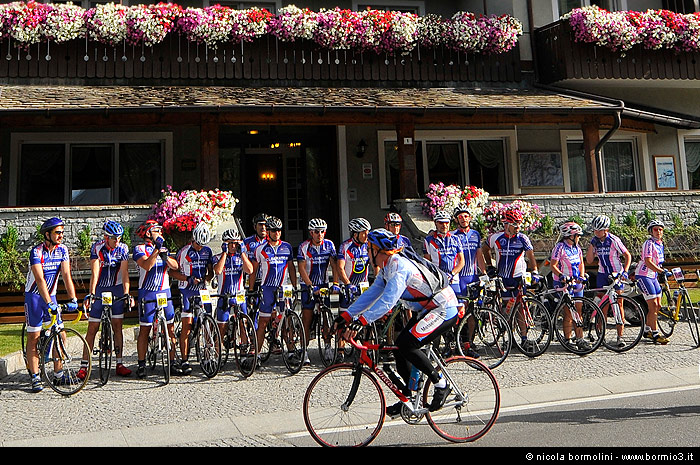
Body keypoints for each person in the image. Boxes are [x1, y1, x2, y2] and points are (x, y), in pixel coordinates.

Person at [334, 229, 460, 417]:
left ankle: (441, 384)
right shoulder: (387, 267)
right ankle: (408, 398)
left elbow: (387, 301)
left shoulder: (399, 267)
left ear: (376, 249)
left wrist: (361, 321)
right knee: (400, 346)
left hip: (443, 308)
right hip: (427, 308)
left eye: (369, 249)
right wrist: (347, 315)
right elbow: (372, 293)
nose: (368, 253)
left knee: (408, 345)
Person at [24, 217, 79, 392]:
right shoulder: (36, 252)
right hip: (34, 298)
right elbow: (40, 280)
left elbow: (66, 275)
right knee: (34, 337)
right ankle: (34, 376)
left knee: (60, 335)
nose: (61, 235)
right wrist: (49, 303)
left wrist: (73, 299)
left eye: (62, 232)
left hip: (51, 296)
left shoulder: (62, 250)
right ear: (47, 234)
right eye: (58, 232)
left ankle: (58, 375)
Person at [79, 221, 133, 380]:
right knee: (93, 327)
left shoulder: (122, 248)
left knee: (117, 326)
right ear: (106, 237)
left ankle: (119, 363)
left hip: (115, 288)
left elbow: (124, 274)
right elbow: (95, 273)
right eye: (114, 238)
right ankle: (84, 365)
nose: (117, 241)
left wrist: (126, 293)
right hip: (100, 289)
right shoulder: (97, 248)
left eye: (119, 238)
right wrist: (92, 294)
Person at [481, 209, 540, 347]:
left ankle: (524, 338)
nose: (518, 227)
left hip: (518, 277)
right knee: (507, 309)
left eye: (519, 223)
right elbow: (484, 249)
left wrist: (535, 271)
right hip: (503, 278)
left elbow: (531, 256)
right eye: (515, 224)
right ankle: (510, 338)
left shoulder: (522, 238)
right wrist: (490, 265)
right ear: (506, 224)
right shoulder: (496, 238)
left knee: (520, 308)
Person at [133, 220, 180, 378]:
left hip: (164, 291)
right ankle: (141, 364)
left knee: (171, 328)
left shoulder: (164, 249)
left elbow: (175, 266)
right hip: (147, 293)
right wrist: (156, 250)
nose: (160, 234)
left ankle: (172, 362)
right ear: (148, 234)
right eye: (156, 231)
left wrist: (165, 256)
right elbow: (146, 265)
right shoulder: (140, 249)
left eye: (161, 231)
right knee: (145, 330)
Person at [249, 216, 298, 364]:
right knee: (263, 321)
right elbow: (253, 270)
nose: (277, 233)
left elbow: (291, 268)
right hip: (267, 289)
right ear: (268, 232)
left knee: (287, 318)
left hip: (284, 287)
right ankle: (257, 355)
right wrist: (251, 290)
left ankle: (290, 351)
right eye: (274, 230)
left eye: (279, 230)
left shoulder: (287, 247)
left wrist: (295, 286)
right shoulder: (260, 249)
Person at [170, 223, 216, 375]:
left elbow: (210, 273)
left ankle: (209, 356)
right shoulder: (184, 252)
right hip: (187, 291)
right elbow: (172, 272)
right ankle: (184, 360)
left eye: (202, 245)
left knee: (208, 323)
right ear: (193, 240)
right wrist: (187, 278)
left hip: (202, 290)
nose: (199, 247)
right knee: (187, 326)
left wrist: (207, 278)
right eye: (197, 244)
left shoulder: (207, 251)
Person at [586, 214, 632, 349]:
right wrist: (591, 245)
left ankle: (620, 336)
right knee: (602, 306)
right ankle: (601, 335)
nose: (595, 232)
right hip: (602, 274)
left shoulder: (613, 240)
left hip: (616, 273)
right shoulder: (595, 241)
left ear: (605, 230)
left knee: (618, 304)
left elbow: (627, 255)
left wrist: (625, 271)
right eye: (594, 230)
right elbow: (589, 260)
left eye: (598, 230)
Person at [297, 218, 339, 365]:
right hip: (308, 284)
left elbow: (334, 265)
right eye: (316, 232)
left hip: (323, 284)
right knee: (307, 319)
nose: (319, 234)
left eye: (322, 232)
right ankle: (304, 350)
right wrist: (310, 286)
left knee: (327, 318)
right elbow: (301, 269)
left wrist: (335, 282)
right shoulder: (304, 247)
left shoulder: (329, 245)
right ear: (311, 233)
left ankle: (328, 346)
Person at [450, 204, 486, 358]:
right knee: (459, 312)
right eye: (460, 217)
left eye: (466, 216)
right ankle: (457, 341)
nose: (463, 219)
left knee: (472, 313)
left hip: (473, 277)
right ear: (456, 220)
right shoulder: (452, 235)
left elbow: (479, 255)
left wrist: (483, 274)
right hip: (459, 279)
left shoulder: (475, 234)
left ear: (470, 218)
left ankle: (469, 343)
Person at [550, 221, 590, 351]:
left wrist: (582, 276)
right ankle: (567, 339)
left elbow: (581, 263)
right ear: (570, 236)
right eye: (577, 235)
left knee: (578, 310)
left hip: (576, 282)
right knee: (569, 312)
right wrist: (561, 276)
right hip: (563, 283)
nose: (579, 238)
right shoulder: (559, 247)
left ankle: (580, 339)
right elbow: (553, 265)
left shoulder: (576, 248)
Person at [213, 228, 254, 342]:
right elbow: (218, 271)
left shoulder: (241, 257)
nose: (233, 246)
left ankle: (243, 350)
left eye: (236, 243)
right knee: (222, 326)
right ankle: (217, 353)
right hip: (224, 295)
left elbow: (250, 270)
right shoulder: (217, 257)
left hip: (239, 294)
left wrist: (242, 253)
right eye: (230, 243)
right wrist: (225, 253)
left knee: (243, 324)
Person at [634, 220, 670, 344]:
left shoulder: (660, 244)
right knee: (653, 305)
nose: (659, 232)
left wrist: (660, 271)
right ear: (651, 231)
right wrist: (661, 271)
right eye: (656, 229)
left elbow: (658, 261)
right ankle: (655, 334)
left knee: (658, 305)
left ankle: (647, 330)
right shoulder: (648, 243)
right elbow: (648, 261)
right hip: (643, 275)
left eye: (660, 229)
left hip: (653, 275)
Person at [423, 210, 464, 296]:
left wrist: (452, 274)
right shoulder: (428, 241)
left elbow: (461, 262)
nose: (444, 225)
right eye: (441, 223)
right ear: (435, 223)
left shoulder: (456, 239)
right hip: (438, 280)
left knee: (459, 305)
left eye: (446, 223)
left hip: (454, 279)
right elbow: (427, 263)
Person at [337, 218, 372, 311]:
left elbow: (375, 264)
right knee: (345, 319)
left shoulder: (368, 245)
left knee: (365, 317)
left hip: (363, 286)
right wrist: (347, 284)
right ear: (355, 234)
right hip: (347, 286)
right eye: (363, 233)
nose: (366, 236)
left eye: (367, 232)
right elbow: (340, 268)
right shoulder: (345, 246)